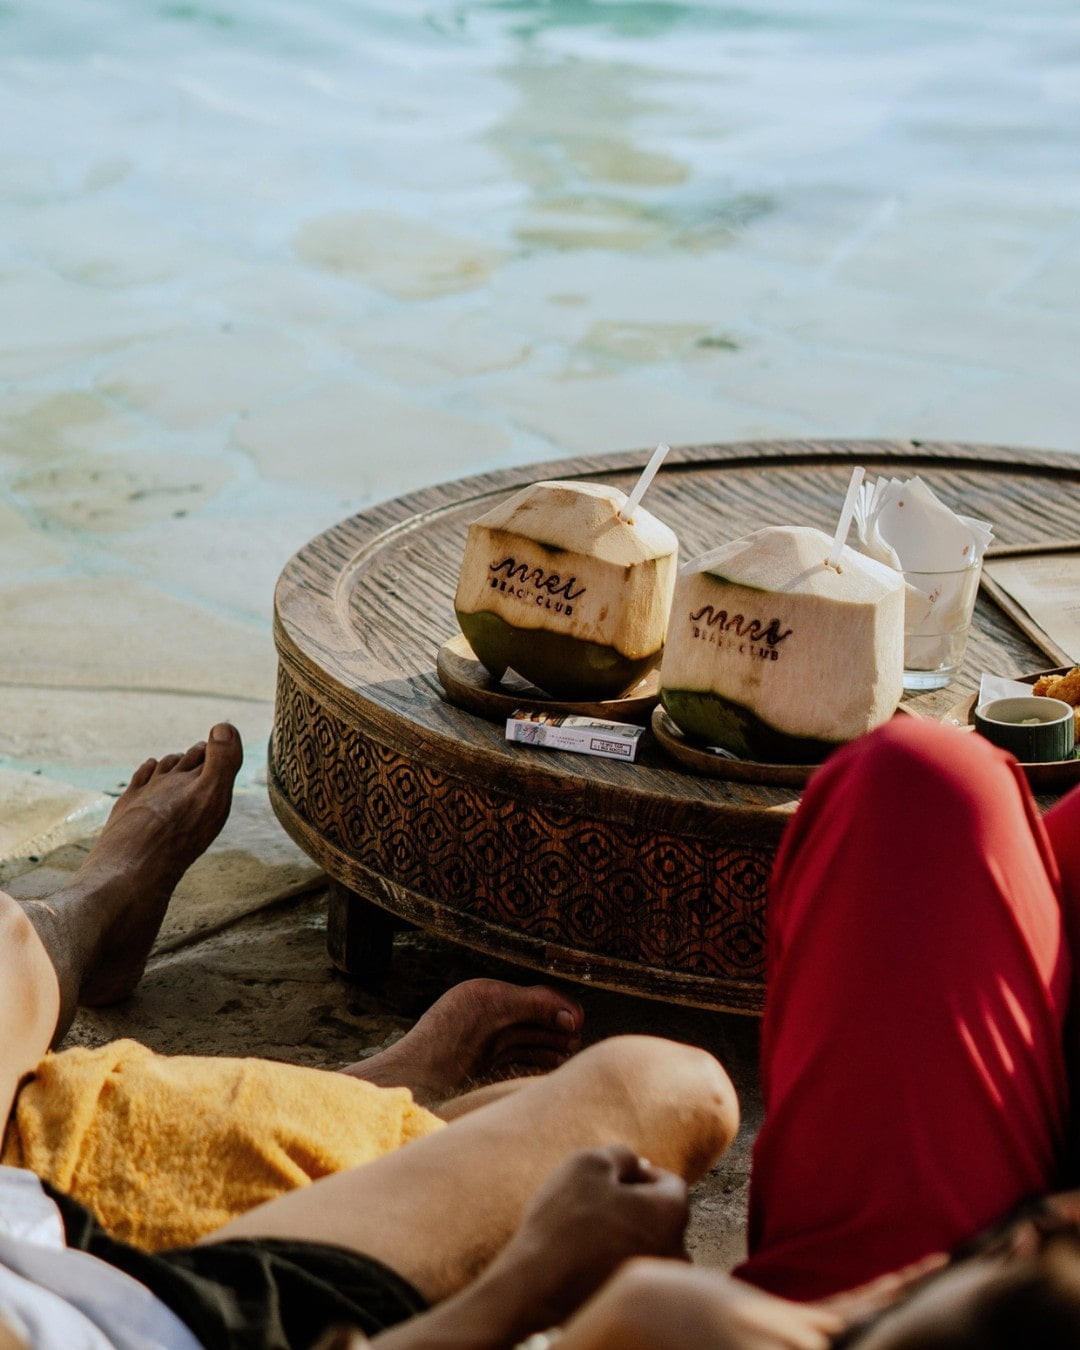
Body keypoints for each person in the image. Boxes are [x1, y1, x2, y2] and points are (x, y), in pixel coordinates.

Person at [0, 723, 739, 1348]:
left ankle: (96, 909)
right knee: (671, 1090)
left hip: (39, 1232)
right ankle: (372, 1108)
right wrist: (521, 1290)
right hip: (175, 1318)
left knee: (6, 939)